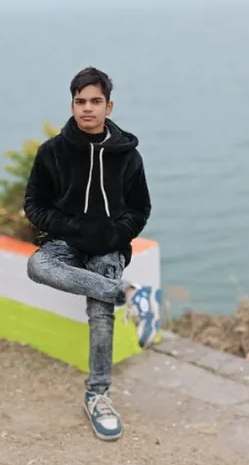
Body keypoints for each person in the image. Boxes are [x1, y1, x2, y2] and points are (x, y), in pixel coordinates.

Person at [23, 66, 161, 441]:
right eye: (80, 101)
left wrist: (113, 234)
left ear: (108, 107)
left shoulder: (128, 156)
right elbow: (34, 205)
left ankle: (98, 395)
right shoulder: (52, 152)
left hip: (110, 246)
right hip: (66, 242)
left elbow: (140, 209)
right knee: (37, 265)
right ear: (72, 105)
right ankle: (131, 294)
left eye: (95, 101)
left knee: (100, 309)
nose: (88, 108)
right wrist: (72, 227)